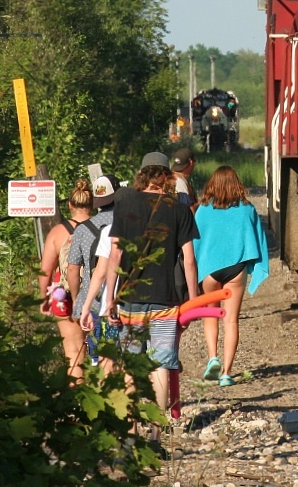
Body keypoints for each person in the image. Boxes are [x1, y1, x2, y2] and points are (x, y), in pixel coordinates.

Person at [103, 154, 199, 413]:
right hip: (165, 300)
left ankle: (131, 427)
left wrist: (110, 297)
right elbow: (189, 260)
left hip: (130, 298)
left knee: (131, 364)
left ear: (142, 174)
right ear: (166, 176)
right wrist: (193, 300)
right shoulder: (179, 208)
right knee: (161, 362)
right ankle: (158, 428)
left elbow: (116, 254)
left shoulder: (124, 205)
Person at [193, 165, 269, 387]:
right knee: (231, 320)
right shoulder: (247, 209)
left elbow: (195, 242)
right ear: (237, 184)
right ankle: (226, 373)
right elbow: (259, 240)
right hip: (236, 269)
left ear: (212, 184)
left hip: (209, 270)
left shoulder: (203, 210)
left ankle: (212, 358)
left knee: (210, 315)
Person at [37, 179, 93, 381]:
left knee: (72, 350)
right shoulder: (101, 228)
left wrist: (43, 299)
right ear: (92, 205)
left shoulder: (57, 233)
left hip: (63, 293)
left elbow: (45, 271)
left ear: (69, 205)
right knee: (103, 349)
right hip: (95, 292)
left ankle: (77, 396)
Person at [66, 174, 118, 367]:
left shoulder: (82, 230)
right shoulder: (130, 223)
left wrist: (77, 300)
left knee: (99, 359)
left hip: (94, 301)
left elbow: (73, 269)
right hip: (123, 299)